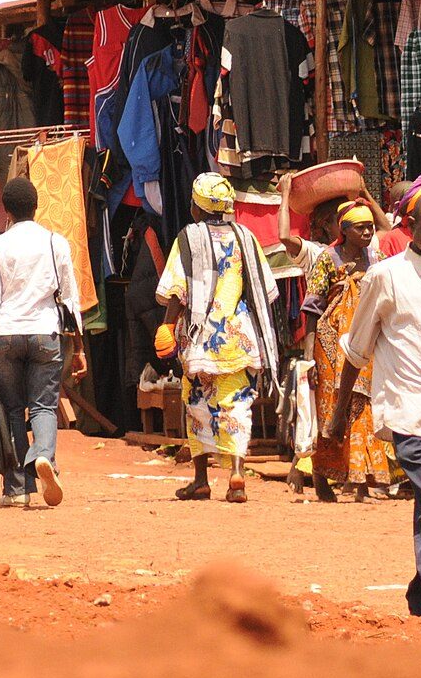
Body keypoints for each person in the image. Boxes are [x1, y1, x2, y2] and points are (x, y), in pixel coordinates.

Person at [329, 190, 421, 619]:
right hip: (410, 411)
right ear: (410, 227)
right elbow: (356, 351)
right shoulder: (385, 278)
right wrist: (338, 416)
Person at [158, 172, 282, 503]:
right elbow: (265, 291)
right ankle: (237, 474)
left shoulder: (188, 237)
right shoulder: (246, 237)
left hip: (201, 337)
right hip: (239, 337)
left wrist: (167, 326)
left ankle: (200, 480)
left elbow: (177, 290)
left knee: (196, 403)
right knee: (237, 404)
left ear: (197, 207)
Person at [0, 177, 87, 509]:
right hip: (45, 333)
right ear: (36, 207)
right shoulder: (55, 243)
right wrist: (79, 348)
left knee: (12, 410)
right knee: (43, 406)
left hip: (4, 335)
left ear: (6, 210)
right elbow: (70, 299)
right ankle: (44, 456)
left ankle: (17, 488)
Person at [305, 201, 396, 501]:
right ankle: (320, 476)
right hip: (331, 343)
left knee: (363, 404)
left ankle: (360, 483)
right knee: (330, 408)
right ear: (344, 230)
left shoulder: (378, 260)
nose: (368, 232)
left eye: (370, 227)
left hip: (367, 340)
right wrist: (308, 357)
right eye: (361, 227)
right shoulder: (327, 259)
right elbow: (312, 307)